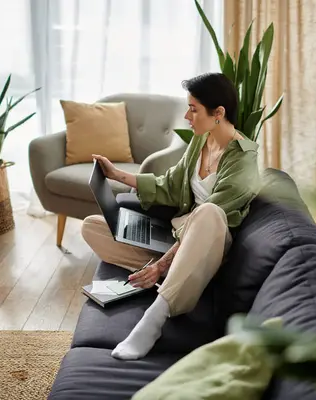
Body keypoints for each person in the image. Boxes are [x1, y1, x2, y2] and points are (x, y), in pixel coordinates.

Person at [81, 72, 260, 360]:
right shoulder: (200, 142)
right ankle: (187, 276)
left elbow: (216, 214)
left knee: (209, 212)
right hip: (179, 237)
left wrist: (162, 265)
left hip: (212, 242)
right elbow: (169, 184)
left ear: (219, 113)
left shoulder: (244, 157)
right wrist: (117, 175)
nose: (188, 116)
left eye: (194, 109)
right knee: (92, 228)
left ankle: (154, 318)